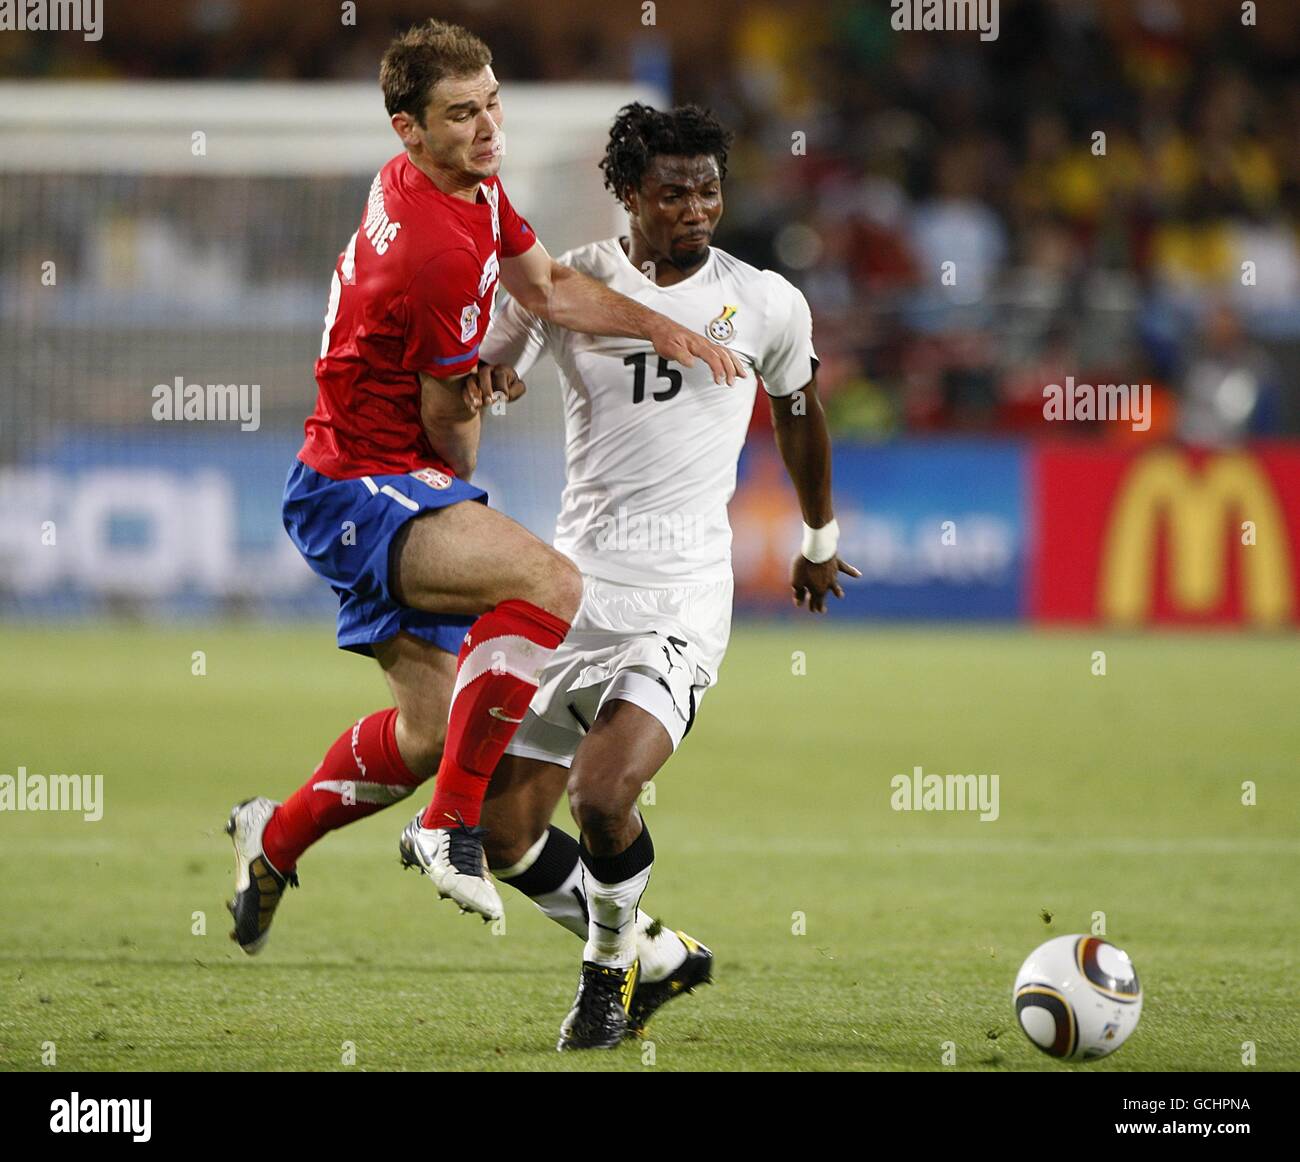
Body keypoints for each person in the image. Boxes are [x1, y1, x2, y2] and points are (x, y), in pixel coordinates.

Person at [225, 20, 743, 951]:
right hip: (360, 484)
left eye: (493, 101)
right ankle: (449, 827)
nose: (490, 125)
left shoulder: (458, 184)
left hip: (375, 477)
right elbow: (448, 429)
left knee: (426, 735)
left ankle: (276, 835)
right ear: (407, 129)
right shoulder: (435, 250)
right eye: (464, 113)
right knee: (547, 582)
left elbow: (544, 289)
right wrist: (465, 451)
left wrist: (655, 326)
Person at [472, 101, 860, 1049]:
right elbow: (488, 370)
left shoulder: (767, 301)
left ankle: (606, 979)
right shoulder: (566, 283)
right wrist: (488, 379)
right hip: (572, 592)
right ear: (628, 194)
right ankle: (660, 951)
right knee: (503, 837)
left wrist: (818, 536)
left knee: (603, 796)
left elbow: (799, 412)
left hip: (681, 594)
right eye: (674, 192)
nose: (696, 209)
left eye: (710, 190)